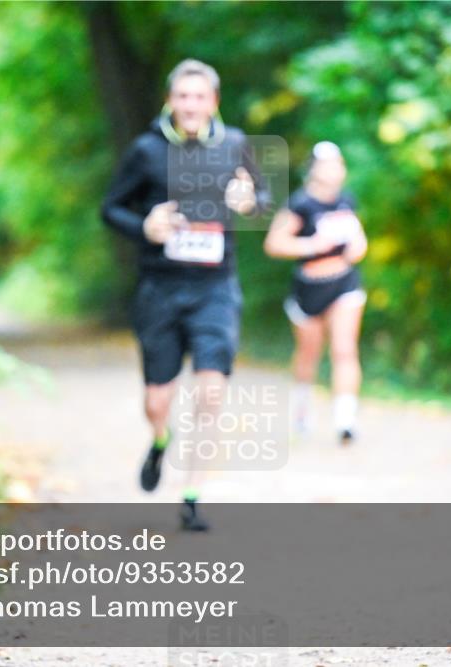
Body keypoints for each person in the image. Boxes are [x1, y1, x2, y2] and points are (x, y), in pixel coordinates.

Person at [101, 59, 268, 531]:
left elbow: (262, 197)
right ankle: (160, 439)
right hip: (160, 287)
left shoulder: (235, 145)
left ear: (213, 102)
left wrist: (248, 200)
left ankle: (192, 495)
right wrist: (145, 227)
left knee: (211, 395)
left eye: (200, 97)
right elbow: (110, 208)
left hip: (215, 287)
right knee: (158, 400)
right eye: (183, 97)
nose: (191, 106)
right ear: (170, 101)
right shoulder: (146, 151)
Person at [263, 141, 367, 444]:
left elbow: (359, 241)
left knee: (344, 349)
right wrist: (311, 246)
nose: (333, 170)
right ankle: (302, 409)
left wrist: (358, 247)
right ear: (313, 169)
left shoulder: (347, 201)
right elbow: (274, 244)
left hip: (344, 284)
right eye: (326, 164)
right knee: (308, 354)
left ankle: (345, 420)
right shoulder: (301, 204)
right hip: (308, 289)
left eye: (338, 163)